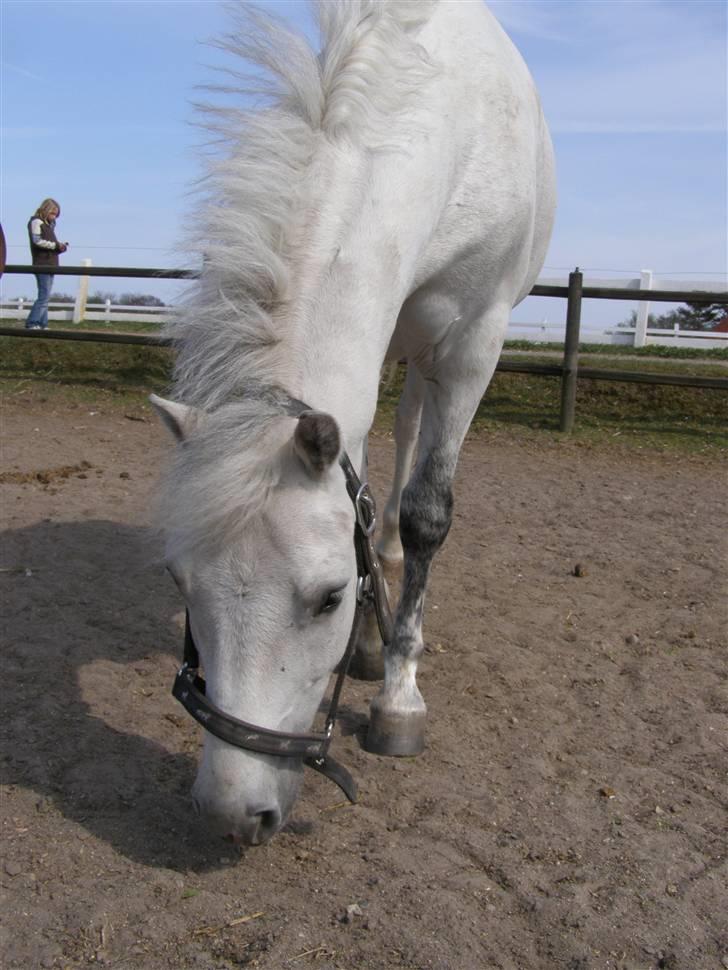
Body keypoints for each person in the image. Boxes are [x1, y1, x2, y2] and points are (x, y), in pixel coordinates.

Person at [25, 198, 68, 330]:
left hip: (50, 263)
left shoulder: (48, 226)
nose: (54, 217)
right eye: (53, 214)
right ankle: (32, 322)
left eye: (55, 215)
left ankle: (42, 323)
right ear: (46, 210)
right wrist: (56, 245)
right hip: (42, 263)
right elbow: (37, 241)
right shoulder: (36, 222)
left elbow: (46, 245)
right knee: (43, 296)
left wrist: (59, 248)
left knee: (45, 296)